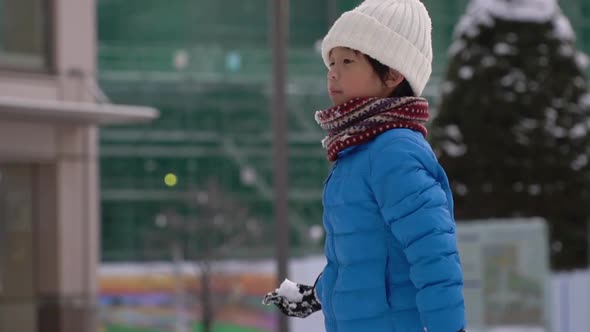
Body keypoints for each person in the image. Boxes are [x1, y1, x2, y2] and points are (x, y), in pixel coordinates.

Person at [263, 0, 466, 331]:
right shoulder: (357, 153)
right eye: (330, 61)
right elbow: (363, 260)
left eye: (347, 60)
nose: (333, 71)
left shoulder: (395, 152)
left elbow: (435, 258)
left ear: (393, 73)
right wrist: (316, 294)